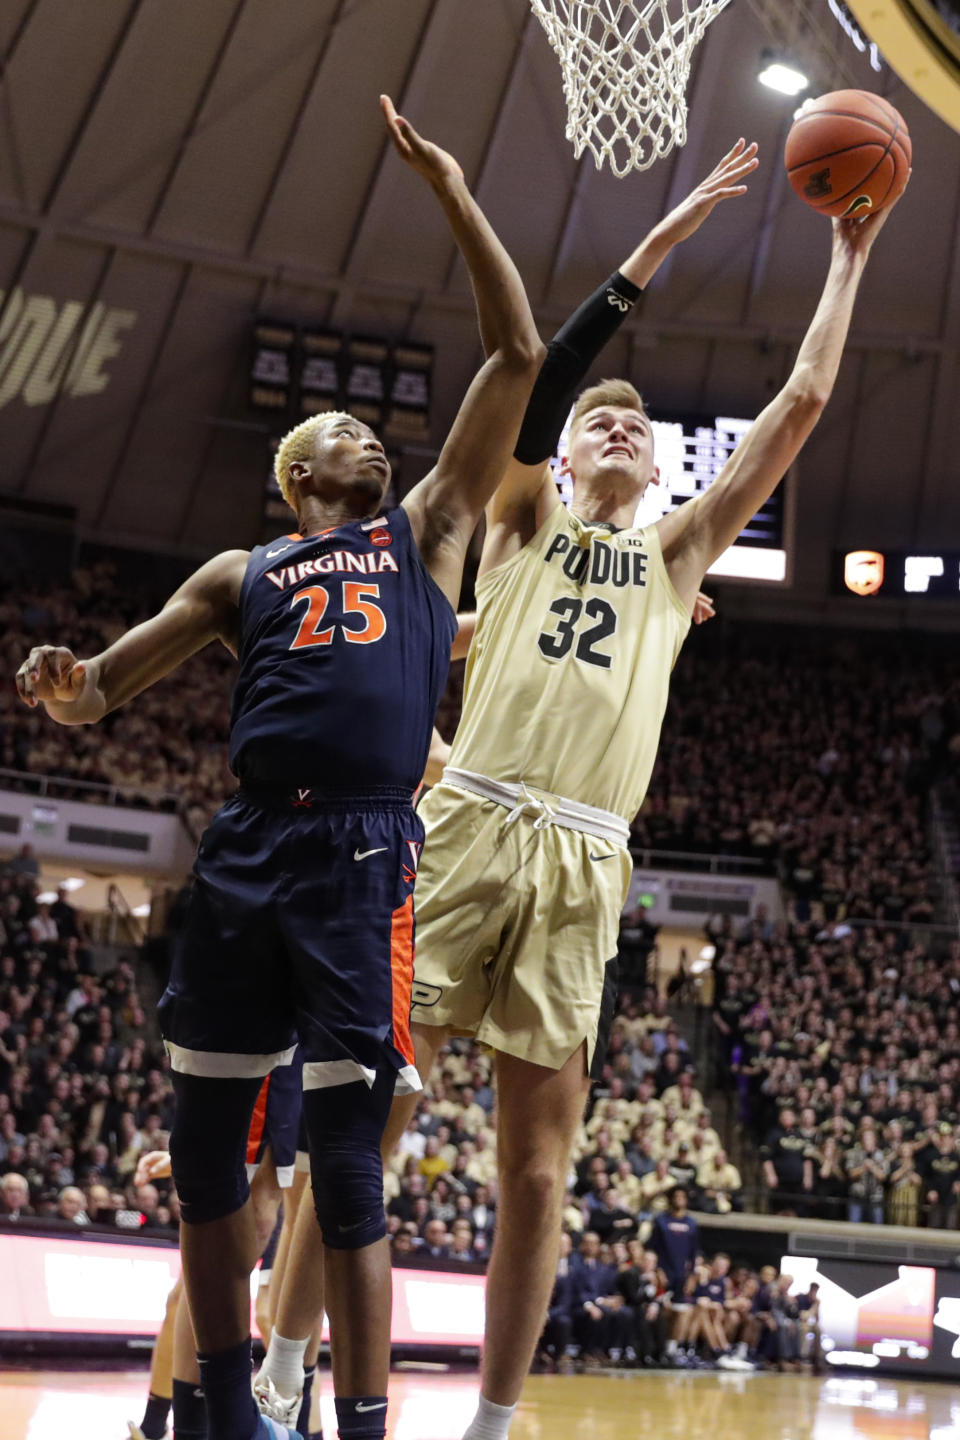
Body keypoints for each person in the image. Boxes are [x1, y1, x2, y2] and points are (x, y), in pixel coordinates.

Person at [15, 97, 543, 1440]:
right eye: (344, 431)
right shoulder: (240, 573)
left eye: (377, 432)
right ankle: (212, 1415)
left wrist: (456, 193)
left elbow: (519, 349)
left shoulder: (426, 534)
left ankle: (360, 1419)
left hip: (364, 850)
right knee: (205, 1155)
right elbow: (101, 695)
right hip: (247, 848)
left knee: (351, 1161)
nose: (372, 434)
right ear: (297, 471)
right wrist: (67, 683)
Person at [381, 135, 903, 1435]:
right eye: (599, 423)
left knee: (538, 1174)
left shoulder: (680, 558)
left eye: (639, 425)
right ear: (565, 459)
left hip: (581, 854)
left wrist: (848, 261)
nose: (615, 425)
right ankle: (302, 1383)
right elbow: (544, 381)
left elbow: (796, 411)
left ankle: (495, 1423)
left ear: (662, 470)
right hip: (470, 819)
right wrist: (652, 253)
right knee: (376, 1107)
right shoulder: (522, 523)